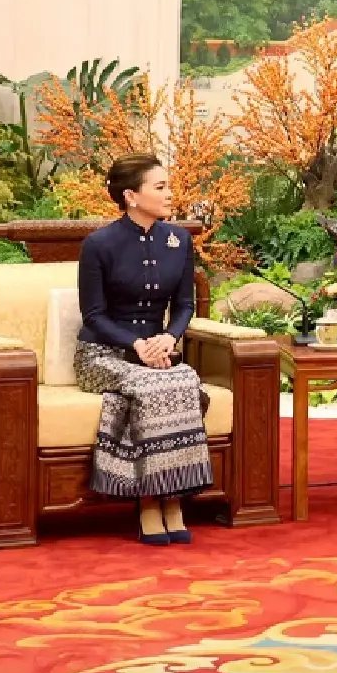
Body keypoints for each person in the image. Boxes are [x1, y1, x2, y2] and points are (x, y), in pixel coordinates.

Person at [76, 153, 210, 545]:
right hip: (101, 355)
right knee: (154, 386)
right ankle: (150, 499)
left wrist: (169, 338)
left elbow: (184, 305)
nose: (170, 193)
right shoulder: (99, 244)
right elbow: (94, 315)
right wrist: (136, 345)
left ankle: (174, 496)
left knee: (185, 380)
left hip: (158, 352)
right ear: (131, 196)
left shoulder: (179, 240)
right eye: (161, 187)